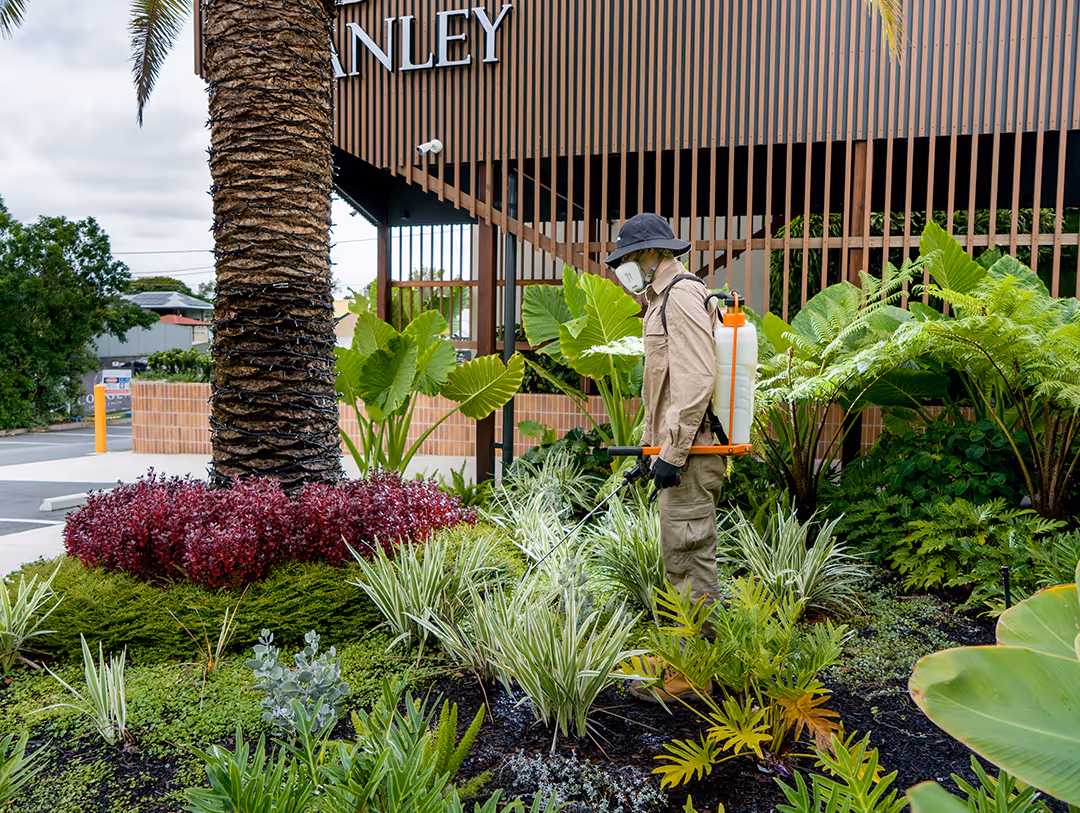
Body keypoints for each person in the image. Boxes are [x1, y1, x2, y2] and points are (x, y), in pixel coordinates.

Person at [605, 213, 725, 702]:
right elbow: (667, 386)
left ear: (651, 254)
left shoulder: (680, 296)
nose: (625, 268)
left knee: (691, 554)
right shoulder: (662, 299)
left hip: (693, 453)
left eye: (630, 258)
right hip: (681, 450)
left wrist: (672, 453)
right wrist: (653, 451)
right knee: (678, 554)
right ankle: (682, 654)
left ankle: (694, 675)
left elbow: (696, 379)